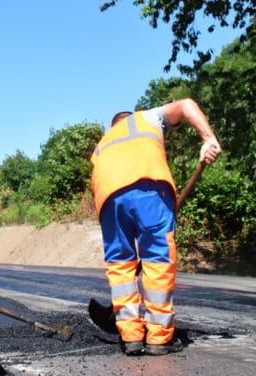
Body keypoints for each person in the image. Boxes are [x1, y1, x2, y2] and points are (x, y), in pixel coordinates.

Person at [90, 98, 221, 356]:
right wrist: (208, 139)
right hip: (149, 187)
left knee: (120, 263)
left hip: (107, 197)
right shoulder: (147, 118)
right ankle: (159, 338)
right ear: (131, 116)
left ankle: (131, 337)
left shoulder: (102, 145)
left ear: (112, 126)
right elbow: (186, 105)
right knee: (158, 258)